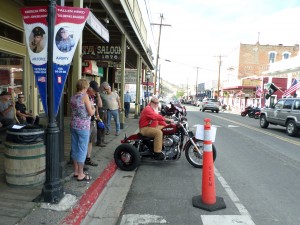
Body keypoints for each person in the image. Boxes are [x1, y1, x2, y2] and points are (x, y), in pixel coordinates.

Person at [70, 79, 95, 181]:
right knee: (82, 149)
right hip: (83, 126)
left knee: (75, 148)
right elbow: (90, 113)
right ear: (84, 87)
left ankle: (76, 170)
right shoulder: (84, 97)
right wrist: (93, 108)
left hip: (73, 125)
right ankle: (81, 174)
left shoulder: (73, 97)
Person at [139, 96, 174, 160]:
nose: (156, 104)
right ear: (151, 102)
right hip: (145, 128)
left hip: (153, 127)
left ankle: (163, 145)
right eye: (155, 103)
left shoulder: (154, 109)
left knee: (166, 129)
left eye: (157, 103)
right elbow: (156, 117)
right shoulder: (148, 109)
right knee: (158, 133)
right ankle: (157, 153)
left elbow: (159, 120)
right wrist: (167, 119)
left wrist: (167, 125)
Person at [85, 80, 101, 167]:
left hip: (93, 121)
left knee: (90, 141)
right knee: (85, 141)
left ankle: (88, 158)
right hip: (86, 122)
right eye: (94, 90)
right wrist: (94, 110)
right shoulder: (85, 96)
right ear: (89, 88)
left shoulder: (92, 97)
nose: (95, 92)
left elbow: (99, 105)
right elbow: (91, 111)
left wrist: (98, 95)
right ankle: (83, 159)